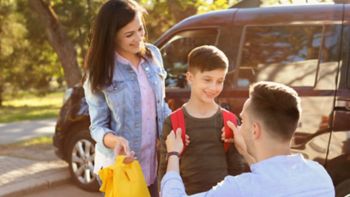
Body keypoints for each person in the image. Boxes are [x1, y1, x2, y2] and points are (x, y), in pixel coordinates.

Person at [161, 81, 335, 196]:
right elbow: (272, 180)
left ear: (254, 130)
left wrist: (174, 154)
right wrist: (246, 153)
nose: (237, 126)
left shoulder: (239, 189)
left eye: (242, 121)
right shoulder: (319, 175)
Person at [83, 0, 170, 196]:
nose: (139, 38)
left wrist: (177, 125)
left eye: (140, 29)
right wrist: (114, 141)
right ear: (111, 37)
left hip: (155, 163)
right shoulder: (99, 70)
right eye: (129, 34)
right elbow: (97, 126)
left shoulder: (153, 55)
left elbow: (160, 105)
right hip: (123, 166)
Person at [158, 45, 246, 195]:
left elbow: (237, 168)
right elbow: (165, 169)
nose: (214, 87)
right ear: (190, 78)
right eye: (207, 79)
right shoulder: (173, 122)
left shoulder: (229, 120)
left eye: (220, 81)